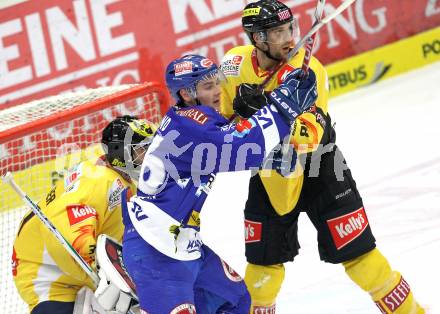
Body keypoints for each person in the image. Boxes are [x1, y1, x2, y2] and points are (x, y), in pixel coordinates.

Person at [220, 1, 425, 313]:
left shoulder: (308, 70)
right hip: (269, 173)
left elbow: (308, 138)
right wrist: (240, 109)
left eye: (290, 29)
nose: (289, 38)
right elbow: (223, 124)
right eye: (277, 33)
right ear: (257, 38)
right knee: (262, 274)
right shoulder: (233, 65)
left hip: (321, 170)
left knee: (364, 262)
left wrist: (267, 111)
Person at [121, 53, 318, 313]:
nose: (217, 91)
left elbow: (227, 137)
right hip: (155, 251)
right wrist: (283, 105)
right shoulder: (190, 127)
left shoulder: (188, 119)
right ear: (186, 94)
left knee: (236, 300)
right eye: (207, 86)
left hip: (183, 243)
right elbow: (243, 148)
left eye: (216, 82)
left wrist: (255, 111)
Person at [12, 115, 157, 314]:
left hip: (76, 270)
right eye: (142, 150)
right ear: (120, 153)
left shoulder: (117, 180)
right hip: (48, 274)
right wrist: (103, 271)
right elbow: (69, 225)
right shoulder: (100, 182)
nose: (149, 156)